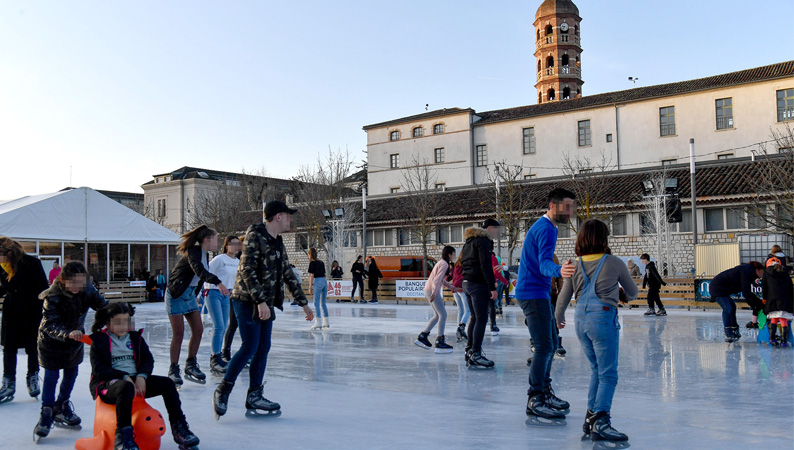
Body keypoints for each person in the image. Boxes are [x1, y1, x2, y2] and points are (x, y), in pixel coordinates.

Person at [213, 201, 314, 419]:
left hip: (265, 302)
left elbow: (287, 272)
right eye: (288, 215)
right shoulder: (254, 235)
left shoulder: (278, 242)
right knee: (250, 346)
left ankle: (254, 395)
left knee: (263, 347)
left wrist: (304, 303)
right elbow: (247, 269)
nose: (290, 220)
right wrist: (259, 301)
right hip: (246, 299)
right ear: (278, 216)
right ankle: (224, 389)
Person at [555, 219, 638, 441]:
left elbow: (563, 297)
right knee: (608, 373)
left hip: (580, 320)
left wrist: (558, 318)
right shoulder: (613, 262)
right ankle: (601, 421)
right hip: (602, 319)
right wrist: (620, 294)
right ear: (604, 238)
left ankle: (591, 417)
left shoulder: (574, 263)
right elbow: (633, 292)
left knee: (596, 370)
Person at [89, 303, 199, 450]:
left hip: (135, 381)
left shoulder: (135, 338)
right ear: (108, 322)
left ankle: (179, 428)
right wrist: (123, 376)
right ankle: (123, 438)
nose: (123, 326)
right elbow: (98, 369)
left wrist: (142, 376)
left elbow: (148, 359)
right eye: (117, 322)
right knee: (125, 387)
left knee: (167, 383)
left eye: (126, 321)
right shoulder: (99, 340)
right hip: (109, 384)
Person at [514, 188, 576, 421]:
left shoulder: (546, 227)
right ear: (553, 206)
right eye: (566, 207)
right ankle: (535, 398)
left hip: (537, 292)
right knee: (543, 347)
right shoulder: (546, 229)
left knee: (550, 345)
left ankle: (545, 392)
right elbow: (543, 265)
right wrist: (560, 270)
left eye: (572, 207)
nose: (570, 212)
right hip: (533, 293)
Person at [34, 261, 108, 442]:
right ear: (63, 280)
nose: (76, 286)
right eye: (72, 282)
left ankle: (62, 405)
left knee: (71, 375)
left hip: (73, 343)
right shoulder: (53, 295)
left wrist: (120, 314)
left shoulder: (88, 289)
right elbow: (49, 324)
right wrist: (67, 333)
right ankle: (47, 412)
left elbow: (104, 306)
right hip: (51, 343)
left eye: (80, 282)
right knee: (51, 377)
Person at [165, 225, 229, 387]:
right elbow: (199, 271)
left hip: (189, 295)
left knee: (198, 330)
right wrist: (218, 282)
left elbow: (197, 278)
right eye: (215, 238)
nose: (218, 241)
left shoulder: (204, 253)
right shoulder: (193, 252)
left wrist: (196, 295)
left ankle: (191, 364)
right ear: (207, 240)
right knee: (178, 333)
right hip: (176, 294)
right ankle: (173, 369)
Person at [0, 237, 49, 405]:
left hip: (31, 309)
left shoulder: (32, 263)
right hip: (12, 310)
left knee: (32, 346)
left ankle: (33, 376)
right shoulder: (3, 266)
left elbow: (43, 288)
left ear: (9, 253)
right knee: (9, 347)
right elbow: (4, 288)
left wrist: (45, 311)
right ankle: (8, 381)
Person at [460, 218, 501, 368]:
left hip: (467, 283)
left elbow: (465, 263)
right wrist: (492, 287)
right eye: (497, 229)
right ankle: (475, 353)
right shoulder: (483, 241)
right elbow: (485, 264)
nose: (498, 233)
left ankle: (469, 350)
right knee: (482, 318)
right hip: (477, 284)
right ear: (490, 228)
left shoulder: (469, 242)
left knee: (475, 317)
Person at [204, 235, 241, 376]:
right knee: (219, 326)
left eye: (237, 244)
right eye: (232, 244)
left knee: (224, 326)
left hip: (228, 295)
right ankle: (215, 357)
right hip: (214, 293)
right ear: (226, 245)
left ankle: (218, 356)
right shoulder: (219, 259)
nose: (235, 247)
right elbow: (206, 273)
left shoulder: (238, 261)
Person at [416, 246, 460, 353]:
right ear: (449, 254)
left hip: (428, 290)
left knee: (437, 315)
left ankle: (423, 336)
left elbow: (441, 280)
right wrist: (435, 293)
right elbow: (436, 280)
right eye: (454, 254)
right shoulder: (444, 264)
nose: (455, 256)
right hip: (431, 291)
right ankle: (440, 340)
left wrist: (452, 288)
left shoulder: (441, 263)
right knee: (443, 315)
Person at [708, 261, 764, 343]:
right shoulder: (747, 270)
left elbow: (745, 290)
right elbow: (746, 291)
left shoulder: (750, 271)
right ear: (758, 270)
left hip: (722, 288)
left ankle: (734, 330)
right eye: (763, 272)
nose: (763, 275)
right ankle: (728, 333)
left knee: (732, 306)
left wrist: (755, 303)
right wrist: (756, 304)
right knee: (728, 308)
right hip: (717, 287)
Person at [221, 238, 245, 363]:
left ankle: (246, 352)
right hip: (229, 294)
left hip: (241, 294)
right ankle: (225, 351)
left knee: (243, 323)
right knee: (232, 323)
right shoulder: (224, 258)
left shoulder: (241, 259)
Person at [762, 254, 793, 347]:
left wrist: (764, 298)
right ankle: (784, 341)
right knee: (783, 319)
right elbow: (790, 287)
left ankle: (772, 338)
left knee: (774, 318)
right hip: (784, 299)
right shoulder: (784, 272)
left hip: (772, 299)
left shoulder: (766, 272)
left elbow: (765, 287)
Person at [307, 248, 329, 330]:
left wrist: (310, 287)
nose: (308, 256)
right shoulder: (321, 262)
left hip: (318, 281)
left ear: (310, 254)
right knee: (323, 303)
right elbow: (324, 274)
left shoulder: (312, 263)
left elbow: (312, 275)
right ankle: (326, 321)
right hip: (324, 280)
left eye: (308, 254)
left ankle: (318, 321)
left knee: (316, 303)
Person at [451, 253, 470, 343]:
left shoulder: (456, 265)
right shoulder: (465, 265)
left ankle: (459, 332)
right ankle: (461, 328)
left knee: (461, 310)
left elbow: (450, 275)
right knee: (468, 310)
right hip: (461, 288)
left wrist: (445, 281)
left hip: (455, 289)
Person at [490, 253, 509, 336]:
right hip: (494, 281)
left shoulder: (476, 255)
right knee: (496, 298)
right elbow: (496, 272)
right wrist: (504, 281)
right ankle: (493, 324)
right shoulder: (494, 258)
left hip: (480, 283)